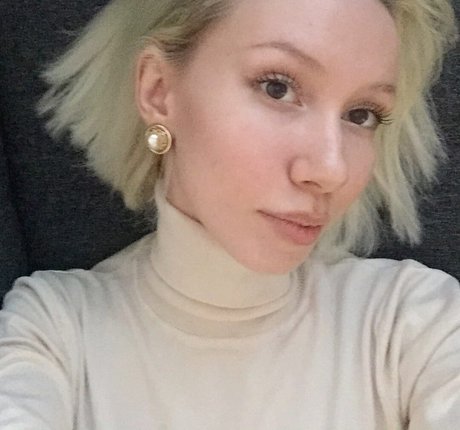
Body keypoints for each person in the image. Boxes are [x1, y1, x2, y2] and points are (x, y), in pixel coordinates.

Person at [0, 0, 459, 428]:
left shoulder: (414, 321)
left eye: (361, 115)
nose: (331, 170)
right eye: (278, 88)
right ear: (159, 91)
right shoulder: (53, 331)